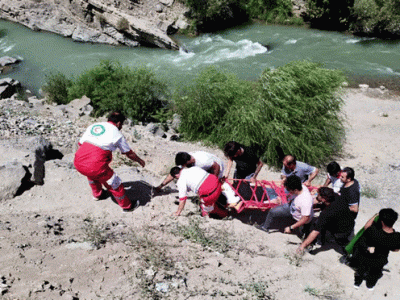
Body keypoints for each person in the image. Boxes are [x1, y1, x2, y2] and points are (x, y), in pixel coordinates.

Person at [74, 111, 145, 212]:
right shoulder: (117, 133)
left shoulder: (94, 126)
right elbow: (128, 153)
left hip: (78, 161)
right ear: (119, 123)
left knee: (92, 175)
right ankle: (127, 206)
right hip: (96, 165)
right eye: (122, 125)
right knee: (115, 183)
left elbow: (80, 143)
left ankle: (98, 195)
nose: (121, 127)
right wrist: (139, 160)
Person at [352, 208, 400, 290]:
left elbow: (366, 227)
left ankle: (357, 283)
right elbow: (396, 250)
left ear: (381, 221)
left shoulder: (373, 230)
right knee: (375, 274)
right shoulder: (397, 237)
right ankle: (370, 286)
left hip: (365, 257)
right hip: (380, 260)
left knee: (361, 270)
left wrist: (375, 215)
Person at [297, 187, 355, 254]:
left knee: (316, 224)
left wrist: (302, 246)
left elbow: (316, 231)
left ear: (323, 199)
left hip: (340, 231)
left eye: (318, 194)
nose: (316, 195)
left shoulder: (327, 213)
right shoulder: (336, 196)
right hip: (350, 224)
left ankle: (317, 242)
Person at [170, 166, 240, 217]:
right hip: (218, 185)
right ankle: (230, 202)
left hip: (210, 194)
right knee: (214, 192)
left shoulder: (181, 180)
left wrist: (178, 212)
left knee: (205, 209)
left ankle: (225, 214)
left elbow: (182, 199)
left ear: (176, 175)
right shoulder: (194, 168)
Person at [156, 151, 224, 192]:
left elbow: (216, 166)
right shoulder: (185, 158)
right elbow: (175, 172)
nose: (183, 167)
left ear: (187, 162)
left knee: (211, 186)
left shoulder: (203, 161)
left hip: (217, 167)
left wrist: (213, 180)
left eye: (183, 165)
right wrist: (160, 186)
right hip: (205, 167)